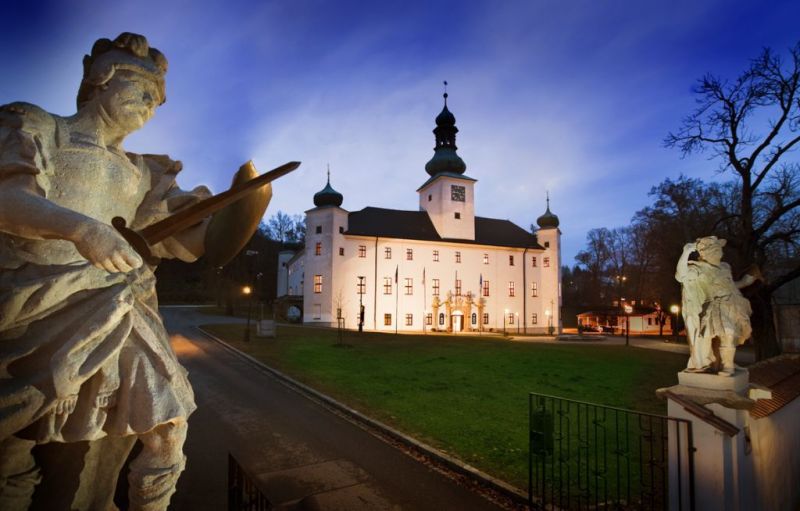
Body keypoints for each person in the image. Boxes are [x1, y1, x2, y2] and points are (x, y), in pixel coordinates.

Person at [0, 33, 270, 510]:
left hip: (116, 309)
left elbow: (190, 241)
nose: (150, 105)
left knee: (168, 425)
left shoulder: (144, 173)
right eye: (141, 90)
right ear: (100, 81)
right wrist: (82, 230)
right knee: (16, 447)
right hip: (34, 309)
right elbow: (6, 199)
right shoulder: (38, 127)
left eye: (157, 101)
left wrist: (244, 207)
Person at [675, 236, 757, 375]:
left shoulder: (725, 267)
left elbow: (731, 286)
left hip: (734, 304)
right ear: (705, 253)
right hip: (715, 306)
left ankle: (727, 364)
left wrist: (745, 281)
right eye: (714, 249)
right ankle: (726, 366)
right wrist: (686, 252)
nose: (719, 251)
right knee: (727, 332)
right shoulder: (698, 269)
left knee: (732, 334)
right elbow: (680, 276)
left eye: (719, 248)